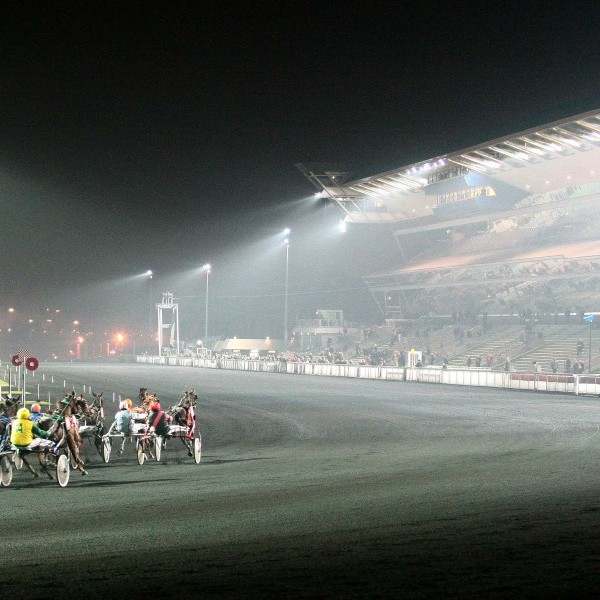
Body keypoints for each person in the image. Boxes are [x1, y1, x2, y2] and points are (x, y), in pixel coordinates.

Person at [10, 407, 55, 471]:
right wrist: (47, 433)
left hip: (14, 444)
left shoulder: (14, 422)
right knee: (41, 440)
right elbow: (40, 433)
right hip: (26, 444)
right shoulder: (31, 423)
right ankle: (47, 458)